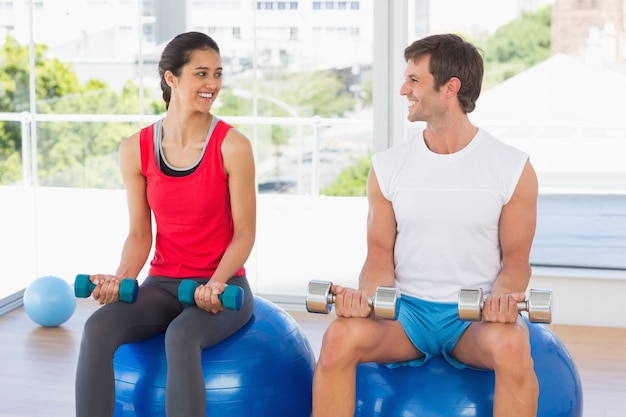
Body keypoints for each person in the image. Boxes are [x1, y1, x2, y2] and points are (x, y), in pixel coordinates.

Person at [312, 33, 539, 417]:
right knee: (338, 336)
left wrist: (501, 302)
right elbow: (380, 254)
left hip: (472, 319)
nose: (404, 89)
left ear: (450, 87)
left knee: (514, 346)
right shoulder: (388, 166)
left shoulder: (512, 167)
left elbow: (516, 261)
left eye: (415, 80)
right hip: (406, 317)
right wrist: (365, 299)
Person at [75, 32, 256, 417]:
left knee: (182, 335)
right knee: (96, 329)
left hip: (224, 286)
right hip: (162, 284)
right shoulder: (135, 148)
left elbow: (245, 234)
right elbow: (141, 233)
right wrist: (121, 280)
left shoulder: (232, 145)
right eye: (201, 73)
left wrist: (216, 283)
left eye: (218, 74)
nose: (213, 85)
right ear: (171, 78)